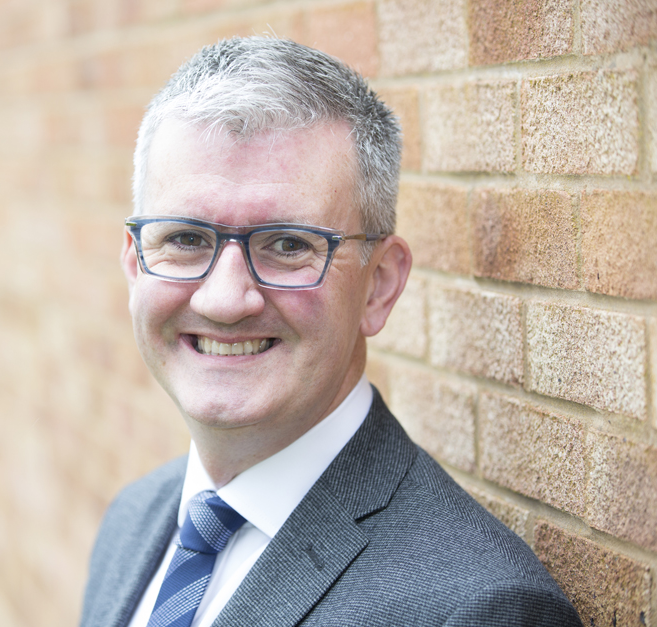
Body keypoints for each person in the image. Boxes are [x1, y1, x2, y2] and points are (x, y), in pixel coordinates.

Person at [81, 37, 581, 627]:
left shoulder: (476, 607)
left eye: (288, 245)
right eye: (186, 239)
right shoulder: (131, 522)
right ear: (135, 262)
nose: (224, 301)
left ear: (379, 286)